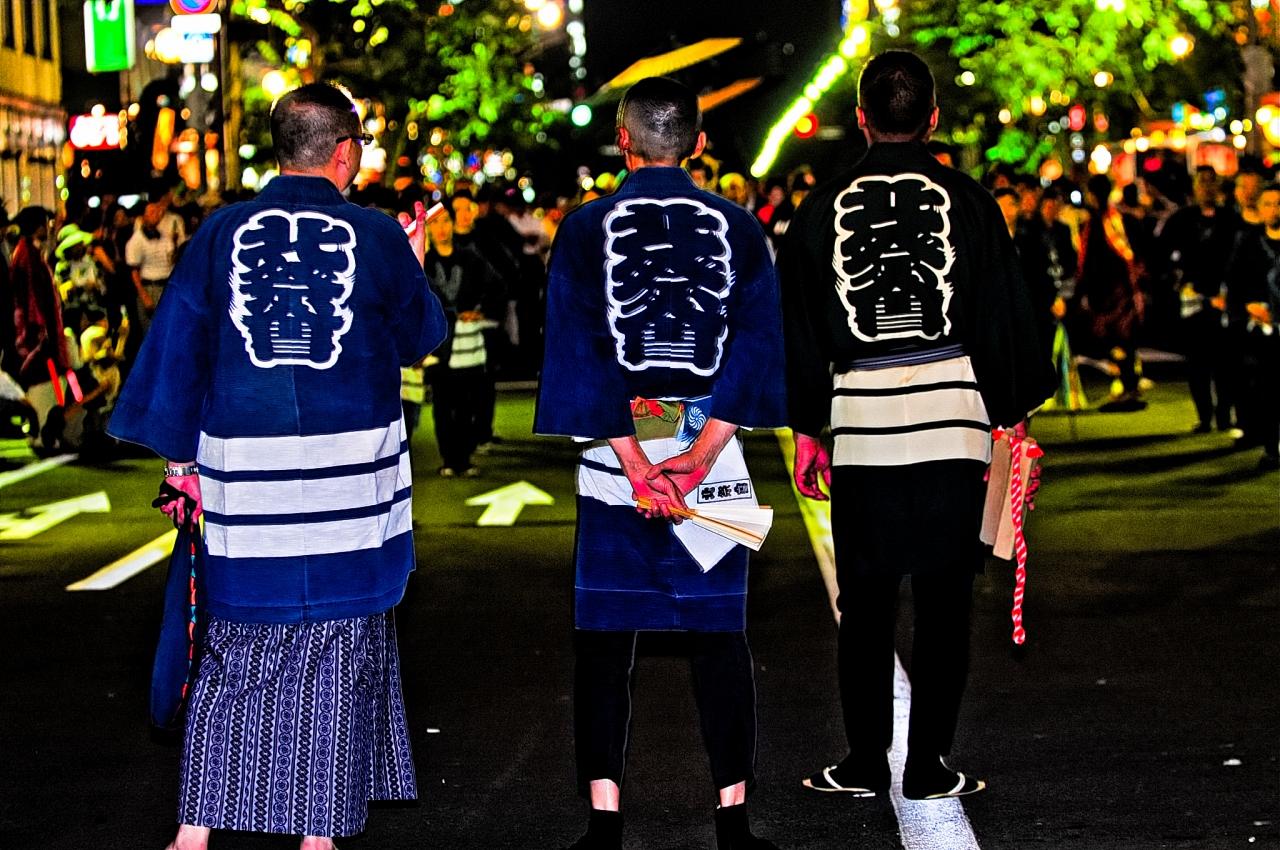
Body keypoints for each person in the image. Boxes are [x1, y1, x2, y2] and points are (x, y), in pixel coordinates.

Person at [107, 82, 447, 850]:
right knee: (336, 652)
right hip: (349, 489)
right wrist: (415, 262)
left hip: (246, 486)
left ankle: (195, 830)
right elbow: (419, 336)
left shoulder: (220, 233)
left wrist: (181, 464)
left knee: (232, 649)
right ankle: (315, 836)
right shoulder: (375, 236)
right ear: (345, 152)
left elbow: (179, 353)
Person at [777, 50, 1052, 801]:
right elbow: (1004, 317)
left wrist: (807, 430)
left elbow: (798, 329)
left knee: (864, 604)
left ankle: (865, 760)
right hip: (954, 420)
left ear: (860, 119)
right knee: (944, 603)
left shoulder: (819, 207)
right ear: (933, 118)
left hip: (860, 421)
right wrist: (1013, 418)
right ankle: (928, 764)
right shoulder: (971, 201)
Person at [536, 76, 787, 850]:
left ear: (623, 140)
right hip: (713, 460)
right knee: (720, 640)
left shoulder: (585, 229)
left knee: (604, 643)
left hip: (616, 465)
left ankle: (605, 819)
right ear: (699, 144)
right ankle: (733, 817)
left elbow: (578, 354)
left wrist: (638, 462)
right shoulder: (739, 227)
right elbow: (755, 353)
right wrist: (698, 455)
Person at [422, 204, 503, 477]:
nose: (441, 228)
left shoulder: (470, 258)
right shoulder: (423, 263)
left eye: (446, 221)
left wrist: (479, 311)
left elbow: (497, 286)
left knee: (468, 402)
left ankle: (464, 458)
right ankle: (449, 459)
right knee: (443, 405)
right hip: (440, 345)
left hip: (468, 343)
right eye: (435, 223)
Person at [1159, 165, 1241, 431]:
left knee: (1225, 363)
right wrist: (1178, 281)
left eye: (1211, 182)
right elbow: (1162, 257)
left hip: (1224, 300)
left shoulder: (1230, 219)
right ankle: (1204, 415)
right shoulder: (1181, 220)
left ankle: (1224, 413)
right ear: (1194, 187)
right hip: (1192, 302)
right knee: (1197, 363)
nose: (1207, 187)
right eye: (1202, 182)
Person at [1077, 173, 1149, 411]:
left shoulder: (1102, 222)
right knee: (1121, 341)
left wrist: (1082, 288)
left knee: (1119, 340)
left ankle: (1128, 386)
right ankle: (1127, 384)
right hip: (1117, 289)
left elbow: (1087, 261)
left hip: (1111, 292)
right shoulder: (1116, 219)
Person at [1223, 182, 1280, 469]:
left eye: (1278, 204)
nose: (1274, 210)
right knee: (1266, 387)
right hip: (1258, 329)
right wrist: (1248, 305)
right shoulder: (1248, 241)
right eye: (1268, 204)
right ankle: (1271, 445)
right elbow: (1235, 280)